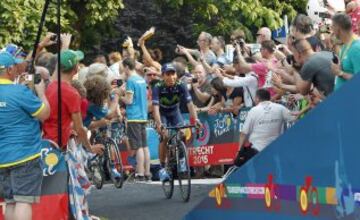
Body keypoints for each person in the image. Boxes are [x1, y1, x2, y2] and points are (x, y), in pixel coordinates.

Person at [0, 51, 50, 220]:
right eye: (14, 66)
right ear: (9, 70)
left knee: (10, 202)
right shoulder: (19, 91)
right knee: (23, 201)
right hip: (25, 154)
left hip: (2, 157)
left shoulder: (18, 90)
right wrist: (41, 93)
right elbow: (44, 114)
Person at [42, 49, 103, 154]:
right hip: (59, 146)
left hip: (45, 142)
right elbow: (79, 129)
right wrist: (90, 148)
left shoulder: (50, 86)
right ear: (76, 69)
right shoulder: (72, 93)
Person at [152, 63, 201, 182]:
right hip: (162, 114)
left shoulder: (181, 85)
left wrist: (196, 120)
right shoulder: (158, 87)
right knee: (164, 137)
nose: (171, 77)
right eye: (168, 74)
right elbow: (155, 108)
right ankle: (162, 168)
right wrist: (159, 124)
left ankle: (182, 158)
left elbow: (190, 104)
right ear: (163, 76)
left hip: (175, 113)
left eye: (173, 74)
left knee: (183, 133)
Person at [234, 89, 296, 166]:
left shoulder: (253, 110)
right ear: (269, 97)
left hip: (257, 150)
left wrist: (239, 151)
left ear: (257, 98)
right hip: (276, 148)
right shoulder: (280, 108)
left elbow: (243, 134)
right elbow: (294, 118)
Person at [120, 58, 151, 182]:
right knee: (144, 146)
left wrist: (119, 94)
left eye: (123, 67)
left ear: (127, 67)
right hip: (143, 116)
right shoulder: (141, 79)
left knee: (137, 147)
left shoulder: (130, 80)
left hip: (134, 117)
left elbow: (129, 100)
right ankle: (147, 172)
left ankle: (140, 174)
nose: (123, 70)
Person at [331, 13, 360, 90]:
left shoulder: (356, 48)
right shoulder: (345, 45)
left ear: (338, 29)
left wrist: (340, 73)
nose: (331, 30)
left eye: (332, 26)